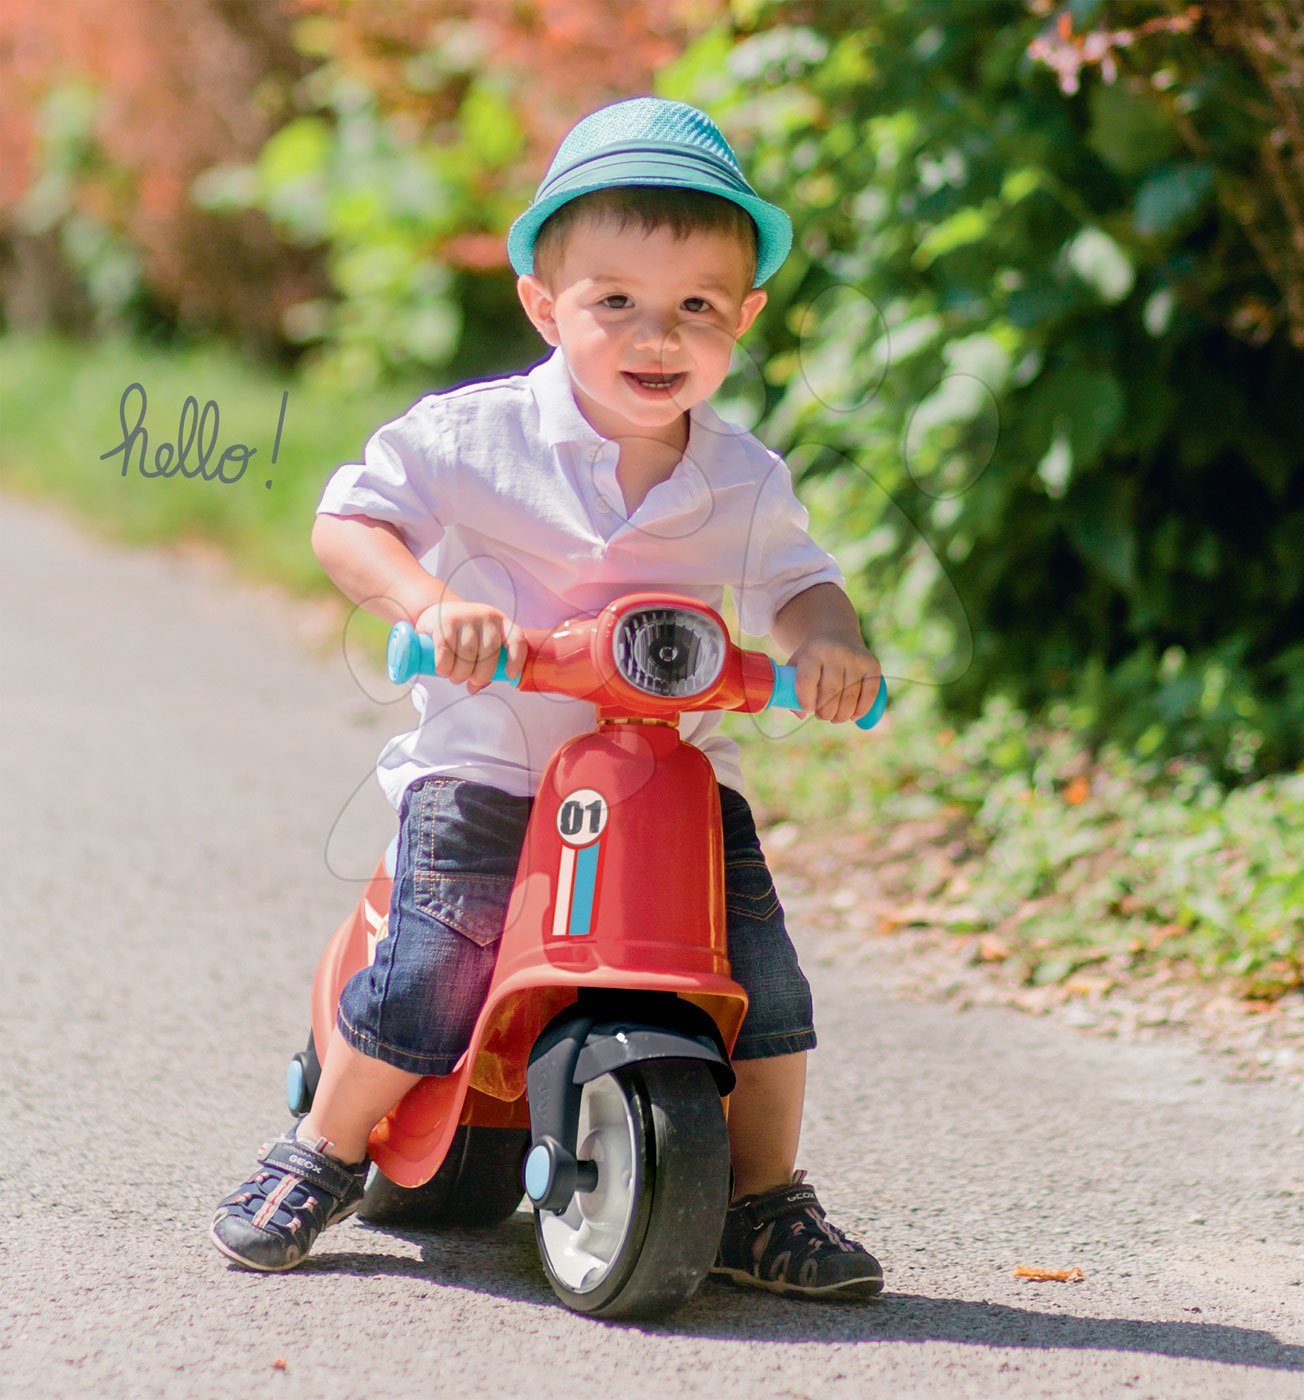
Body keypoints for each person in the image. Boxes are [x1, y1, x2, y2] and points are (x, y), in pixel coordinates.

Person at [211, 97, 885, 1300]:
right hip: (492, 769)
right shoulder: (474, 440)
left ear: (744, 320)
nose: (655, 332)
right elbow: (348, 520)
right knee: (433, 969)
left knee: (764, 988)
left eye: (695, 305)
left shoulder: (739, 474)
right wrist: (428, 606)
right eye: (612, 298)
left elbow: (799, 582)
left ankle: (760, 1195)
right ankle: (321, 1148)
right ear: (542, 304)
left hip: (675, 780)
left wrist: (827, 644)